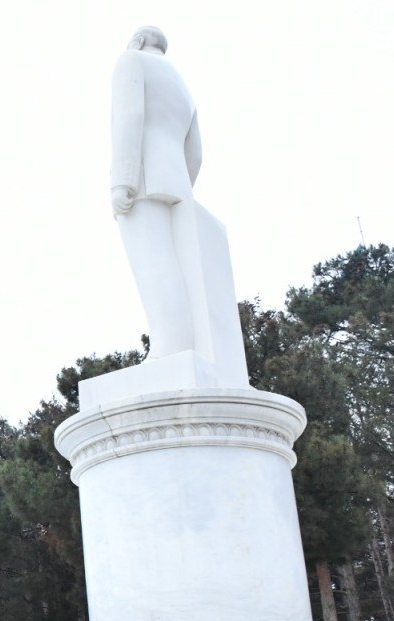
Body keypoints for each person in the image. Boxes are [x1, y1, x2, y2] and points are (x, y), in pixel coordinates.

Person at [109, 25, 246, 383]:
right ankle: (176, 347)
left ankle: (169, 348)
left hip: (142, 176)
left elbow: (129, 117)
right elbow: (196, 151)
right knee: (174, 264)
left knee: (152, 262)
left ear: (138, 41)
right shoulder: (182, 87)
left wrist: (123, 179)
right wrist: (181, 185)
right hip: (176, 180)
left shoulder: (130, 60)